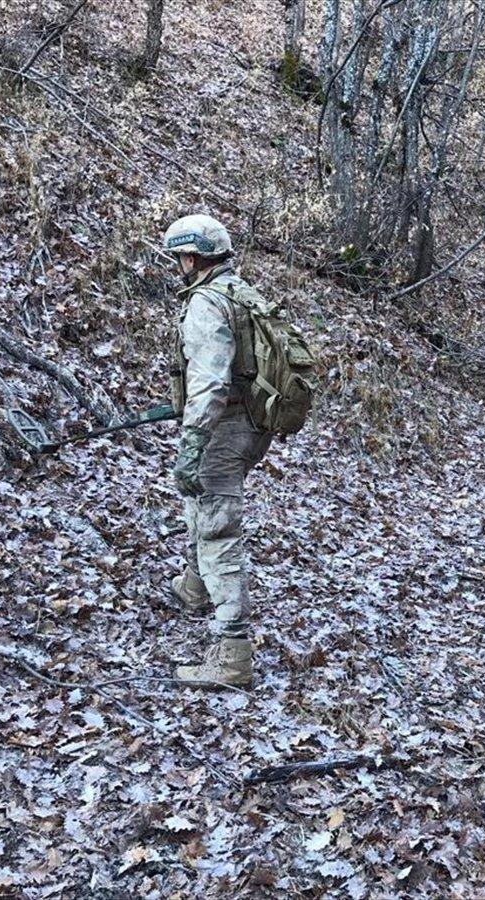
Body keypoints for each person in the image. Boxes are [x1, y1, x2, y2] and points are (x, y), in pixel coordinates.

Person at [162, 214, 272, 688]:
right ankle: (194, 589)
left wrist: (192, 444)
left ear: (192, 258)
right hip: (253, 422)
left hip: (224, 428)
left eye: (179, 259)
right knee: (206, 508)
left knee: (217, 527)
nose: (178, 267)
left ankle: (233, 654)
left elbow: (208, 383)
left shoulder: (207, 303)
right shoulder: (241, 292)